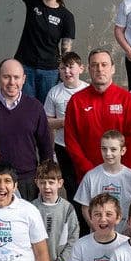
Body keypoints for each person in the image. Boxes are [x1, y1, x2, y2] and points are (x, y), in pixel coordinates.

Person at [0, 60, 54, 192]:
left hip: (27, 182)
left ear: (24, 79)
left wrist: (47, 179)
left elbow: (45, 148)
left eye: (16, 77)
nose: (12, 82)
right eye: (6, 77)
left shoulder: (35, 107)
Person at [63, 47, 131, 188]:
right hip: (88, 178)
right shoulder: (76, 101)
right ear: (88, 69)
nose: (99, 69)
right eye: (95, 65)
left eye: (104, 64)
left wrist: (124, 172)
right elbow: (71, 140)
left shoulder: (127, 99)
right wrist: (90, 171)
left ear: (113, 68)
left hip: (121, 179)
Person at [43, 48, 86, 184]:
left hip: (85, 145)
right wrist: (65, 122)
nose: (67, 72)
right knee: (69, 183)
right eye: (63, 68)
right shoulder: (54, 92)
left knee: (85, 181)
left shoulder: (89, 91)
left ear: (81, 68)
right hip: (63, 146)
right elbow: (47, 122)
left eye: (70, 67)